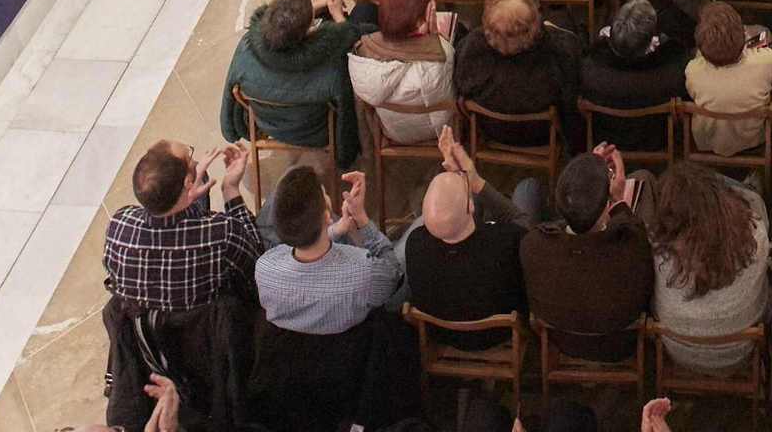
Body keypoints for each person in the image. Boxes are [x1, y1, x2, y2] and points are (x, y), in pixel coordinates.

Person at [521, 149, 654, 361]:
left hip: (562, 342)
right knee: (644, 178)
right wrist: (618, 200)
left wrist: (586, 175)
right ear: (605, 209)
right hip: (618, 346)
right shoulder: (632, 248)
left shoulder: (533, 246)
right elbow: (635, 230)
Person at [401, 125, 528, 345]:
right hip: (498, 337)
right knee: (528, 189)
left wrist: (458, 176)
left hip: (442, 336)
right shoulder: (504, 243)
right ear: (470, 207)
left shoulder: (416, 245)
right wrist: (476, 182)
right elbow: (524, 224)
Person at [103, 138, 261, 310]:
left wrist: (188, 196)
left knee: (202, 175)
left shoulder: (118, 225)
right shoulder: (223, 233)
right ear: (187, 183)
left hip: (151, 330)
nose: (194, 160)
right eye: (189, 155)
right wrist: (230, 188)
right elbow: (258, 265)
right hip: (212, 328)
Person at [220, 0, 359, 172]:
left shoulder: (245, 49)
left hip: (268, 126)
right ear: (309, 31)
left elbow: (229, 99)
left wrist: (230, 131)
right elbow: (347, 113)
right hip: (315, 132)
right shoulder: (331, 69)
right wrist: (339, 17)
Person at [651, 162, 772, 371]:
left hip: (678, 351)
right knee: (755, 201)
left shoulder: (657, 248)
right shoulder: (755, 236)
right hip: (741, 350)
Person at [254, 163, 401, 330]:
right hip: (355, 346)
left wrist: (336, 231)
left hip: (297, 351)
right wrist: (361, 218)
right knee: (415, 232)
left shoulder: (263, 268)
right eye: (325, 194)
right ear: (327, 216)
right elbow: (394, 276)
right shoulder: (364, 271)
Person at [455, 0, 580, 148]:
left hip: (491, 129)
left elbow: (461, 90)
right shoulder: (558, 55)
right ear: (534, 25)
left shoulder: (470, 49)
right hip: (540, 134)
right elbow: (570, 105)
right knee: (561, 15)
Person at [349, 0, 455, 146]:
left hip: (393, 131)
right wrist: (435, 34)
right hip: (438, 131)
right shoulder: (442, 56)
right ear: (421, 21)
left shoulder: (360, 57)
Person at [580, 0, 690, 149]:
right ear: (649, 41)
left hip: (608, 136)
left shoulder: (590, 70)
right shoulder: (672, 72)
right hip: (655, 137)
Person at [684, 1, 772, 154]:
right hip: (753, 140)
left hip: (709, 141)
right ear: (743, 36)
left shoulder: (692, 71)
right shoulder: (766, 62)